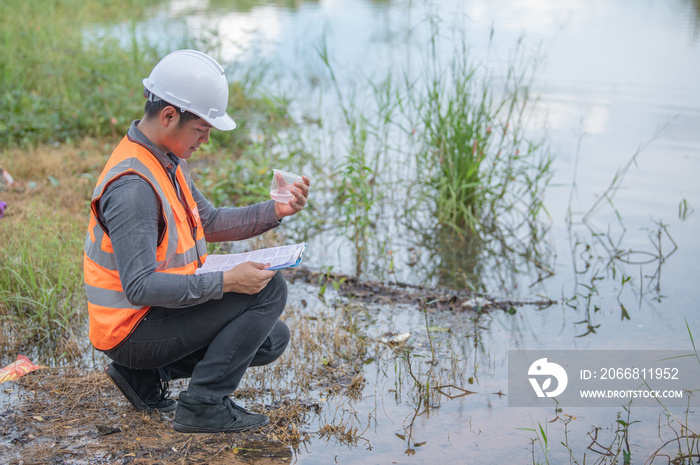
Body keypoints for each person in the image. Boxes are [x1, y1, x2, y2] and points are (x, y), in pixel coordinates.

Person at [83, 49, 310, 433]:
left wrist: (276, 211)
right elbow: (139, 286)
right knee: (269, 292)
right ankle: (203, 406)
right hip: (131, 329)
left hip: (151, 318)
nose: (205, 140)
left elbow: (208, 221)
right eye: (201, 130)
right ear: (169, 114)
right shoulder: (133, 188)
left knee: (271, 339)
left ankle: (141, 375)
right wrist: (226, 281)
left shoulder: (165, 159)